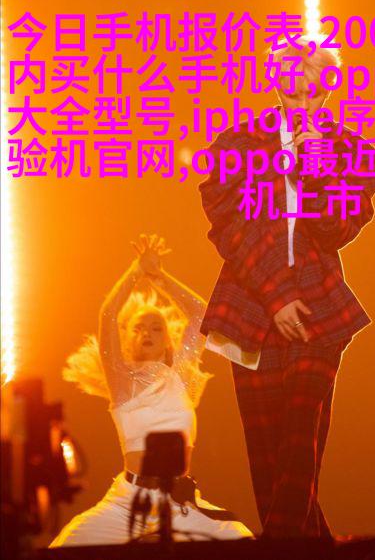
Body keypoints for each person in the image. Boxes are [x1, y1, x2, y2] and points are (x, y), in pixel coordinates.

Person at [198, 40, 375, 538]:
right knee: (269, 461)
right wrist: (277, 295)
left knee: (301, 444)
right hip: (250, 310)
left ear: (329, 91)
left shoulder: (355, 155)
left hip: (319, 307)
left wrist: (316, 168)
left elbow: (336, 230)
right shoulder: (236, 145)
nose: (302, 101)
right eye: (292, 90)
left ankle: (281, 545)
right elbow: (230, 230)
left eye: (313, 92)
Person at [51, 234, 253, 546]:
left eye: (156, 327)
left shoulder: (181, 376)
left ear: (168, 341)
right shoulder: (122, 381)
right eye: (139, 327)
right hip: (129, 501)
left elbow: (201, 315)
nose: (147, 332)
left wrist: (159, 277)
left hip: (179, 499)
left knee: (241, 540)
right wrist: (136, 271)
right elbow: (108, 316)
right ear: (128, 339)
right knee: (67, 545)